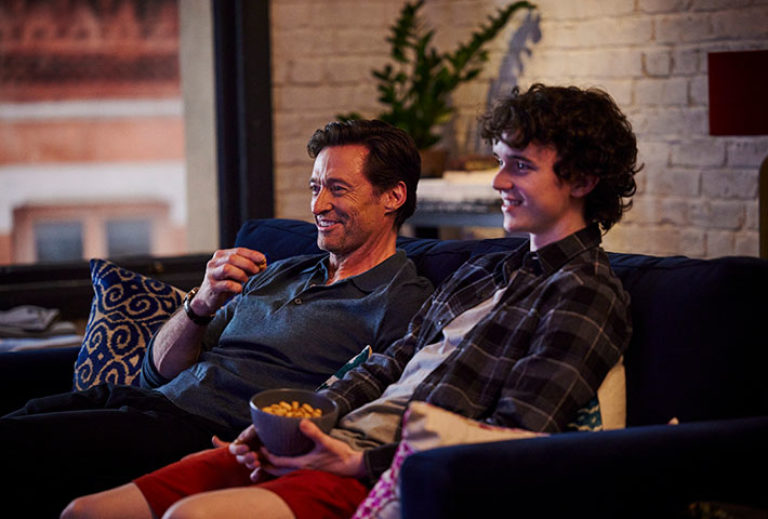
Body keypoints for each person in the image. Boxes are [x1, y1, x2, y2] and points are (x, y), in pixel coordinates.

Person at [63, 83, 641, 519]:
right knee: (86, 511)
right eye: (500, 164)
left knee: (189, 516)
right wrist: (291, 426)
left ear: (582, 180)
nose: (497, 182)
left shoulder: (586, 293)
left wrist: (358, 460)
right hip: (333, 438)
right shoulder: (484, 270)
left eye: (520, 166)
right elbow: (387, 365)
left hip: (384, 468)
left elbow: (516, 439)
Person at [0, 119, 434, 517]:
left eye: (337, 189)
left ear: (393, 196)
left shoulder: (401, 299)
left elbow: (380, 406)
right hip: (140, 401)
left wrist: (260, 447)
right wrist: (201, 303)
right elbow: (156, 373)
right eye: (314, 187)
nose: (318, 204)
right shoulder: (279, 271)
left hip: (201, 430)